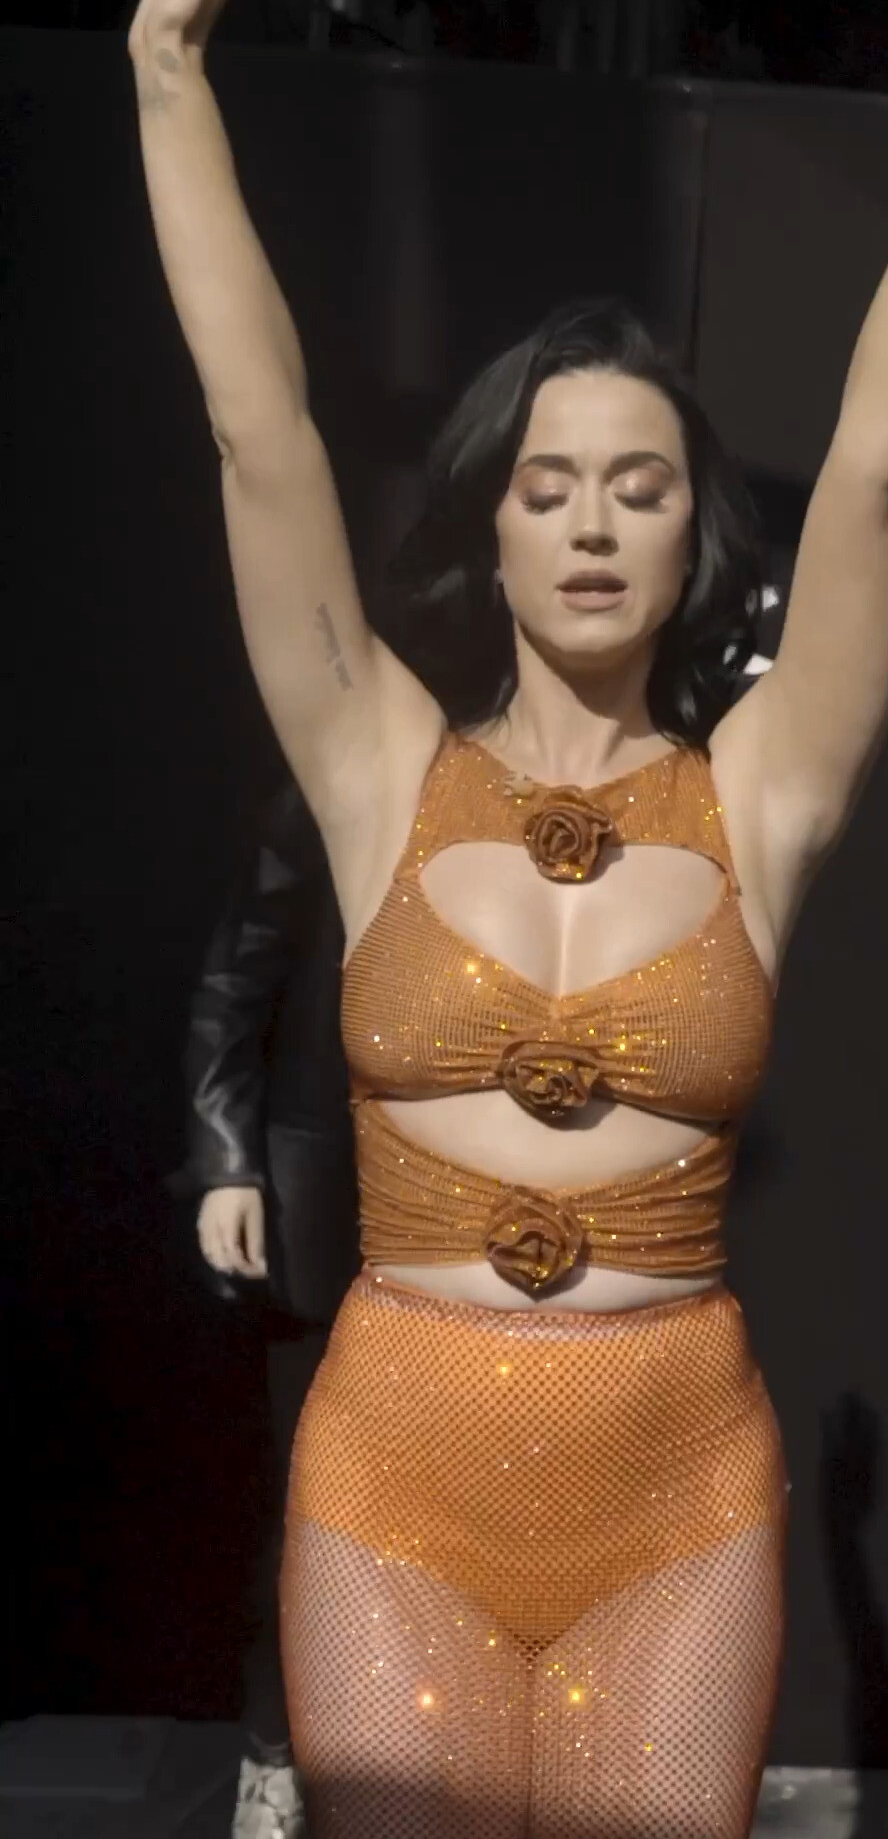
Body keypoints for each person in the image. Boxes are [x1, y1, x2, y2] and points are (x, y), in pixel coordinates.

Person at [126, 0, 888, 1829]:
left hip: (677, 1502)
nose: (595, 525)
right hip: (395, 1488)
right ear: (495, 528)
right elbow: (258, 434)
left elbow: (877, 465)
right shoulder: (380, 769)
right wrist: (168, 74)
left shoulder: (761, 795)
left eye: (643, 486)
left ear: (695, 536)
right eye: (549, 488)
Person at [176, 779, 359, 1838]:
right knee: (308, 1500)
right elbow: (232, 979)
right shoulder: (334, 782)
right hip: (326, 1205)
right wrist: (227, 1162)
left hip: (481, 1208)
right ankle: (274, 1754)